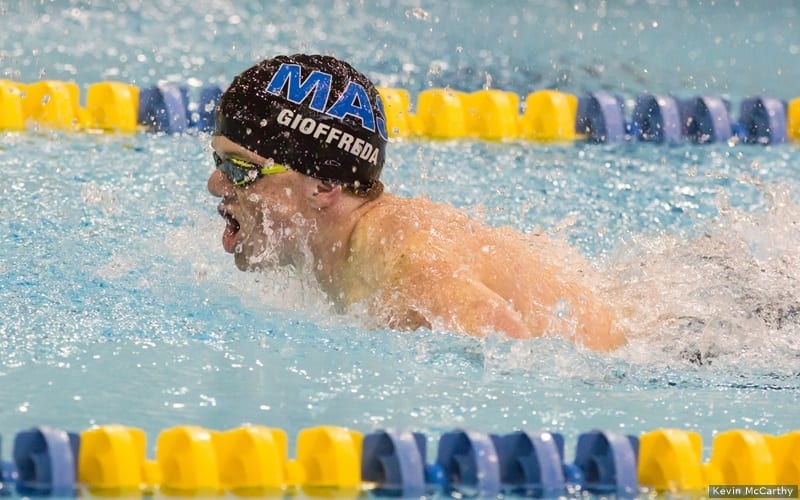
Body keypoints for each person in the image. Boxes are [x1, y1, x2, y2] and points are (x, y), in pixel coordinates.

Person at [207, 54, 626, 351]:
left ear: (324, 186)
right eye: (217, 161)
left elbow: (508, 344)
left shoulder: (403, 259)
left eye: (241, 168)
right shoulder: (341, 252)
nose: (215, 183)